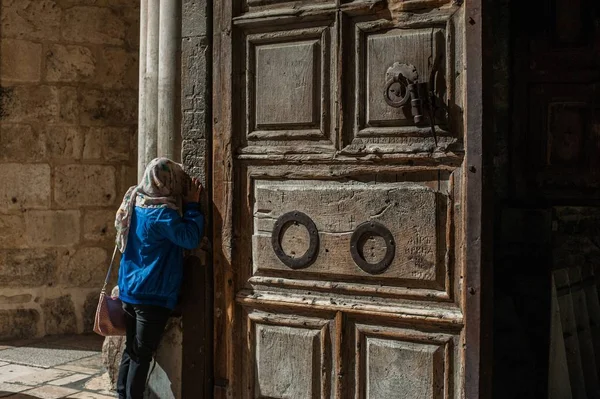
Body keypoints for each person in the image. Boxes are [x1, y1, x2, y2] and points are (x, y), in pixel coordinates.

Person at [113, 157, 204, 399]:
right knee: (141, 355)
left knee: (131, 351)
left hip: (130, 289)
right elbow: (189, 238)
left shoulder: (135, 201)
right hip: (151, 295)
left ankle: (121, 394)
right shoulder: (162, 214)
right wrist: (193, 206)